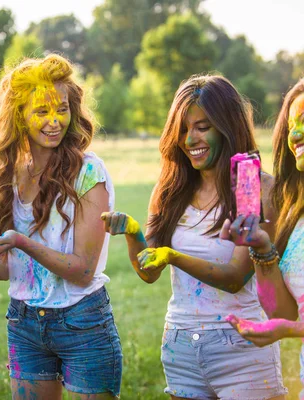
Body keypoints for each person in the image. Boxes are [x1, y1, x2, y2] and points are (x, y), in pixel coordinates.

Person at [102, 75, 286, 399]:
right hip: (181, 345)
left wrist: (174, 256)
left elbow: (234, 278)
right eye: (184, 129)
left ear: (227, 126)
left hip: (241, 345)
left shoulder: (259, 187)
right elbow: (149, 272)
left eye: (203, 127)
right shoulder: (171, 190)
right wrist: (134, 236)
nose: (190, 139)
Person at [0, 54, 122, 399]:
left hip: (83, 322)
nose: (55, 121)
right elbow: (10, 268)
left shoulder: (89, 173)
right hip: (24, 325)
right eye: (41, 111)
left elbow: (82, 271)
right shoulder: (6, 177)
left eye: (62, 109)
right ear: (19, 115)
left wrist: (20, 242)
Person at [225, 78, 304, 396]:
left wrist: (290, 330)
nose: (295, 133)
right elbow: (282, 313)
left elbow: (287, 323)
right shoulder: (296, 219)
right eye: (292, 126)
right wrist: (262, 249)